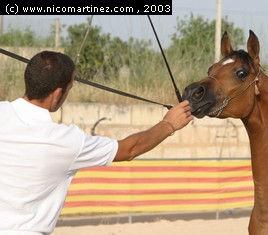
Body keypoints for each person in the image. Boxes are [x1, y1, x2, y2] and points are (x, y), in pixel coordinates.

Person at [0, 51, 193, 234]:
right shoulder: (67, 141)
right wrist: (169, 124)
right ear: (58, 94)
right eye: (69, 89)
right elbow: (128, 149)